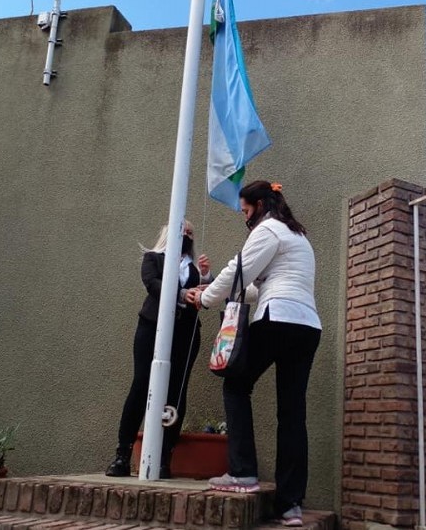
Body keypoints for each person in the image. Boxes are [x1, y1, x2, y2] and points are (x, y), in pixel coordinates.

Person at [187, 181, 321, 527]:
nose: (246, 219)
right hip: (307, 326)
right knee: (292, 414)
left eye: (246, 211)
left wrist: (204, 298)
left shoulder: (269, 229)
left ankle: (243, 472)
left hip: (277, 317)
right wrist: (215, 287)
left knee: (236, 384)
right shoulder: (298, 235)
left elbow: (238, 270)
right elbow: (255, 287)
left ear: (260, 204)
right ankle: (290, 505)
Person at [105, 221, 212, 478]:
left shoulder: (194, 269)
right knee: (142, 386)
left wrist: (206, 278)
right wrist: (180, 293)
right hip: (152, 328)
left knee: (176, 392)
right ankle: (123, 453)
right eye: (182, 231)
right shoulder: (153, 258)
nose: (186, 235)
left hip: (185, 335)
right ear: (168, 233)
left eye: (190, 233)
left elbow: (205, 298)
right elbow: (152, 284)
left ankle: (165, 457)